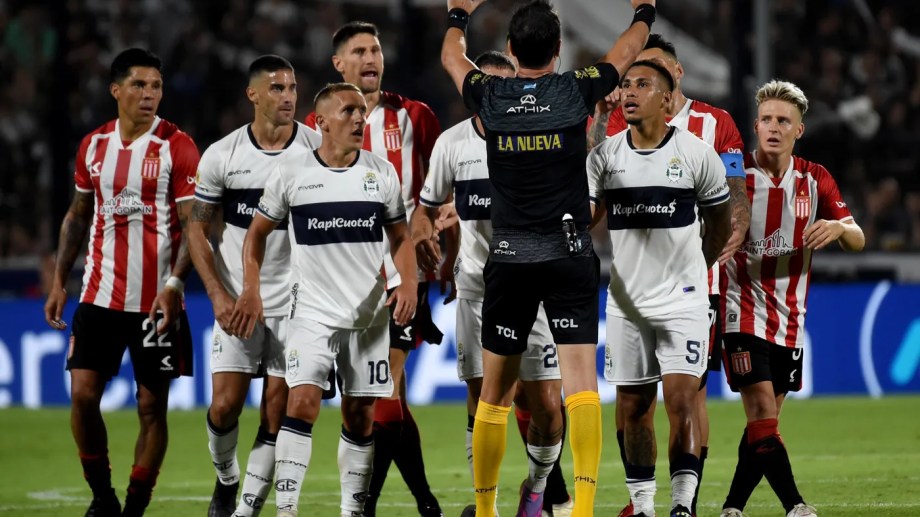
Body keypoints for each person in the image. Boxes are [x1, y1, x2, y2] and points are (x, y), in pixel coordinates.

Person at [441, 1, 656, 515]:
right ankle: (582, 508)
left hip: (510, 256)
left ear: (510, 51)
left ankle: (486, 510)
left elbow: (452, 57)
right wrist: (645, 10)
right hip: (568, 252)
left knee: (494, 395)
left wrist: (458, 14)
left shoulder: (491, 96)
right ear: (559, 51)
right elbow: (628, 51)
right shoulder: (574, 89)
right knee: (581, 387)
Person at [232, 82, 417, 517]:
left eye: (362, 111)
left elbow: (401, 237)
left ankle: (352, 510)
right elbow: (256, 235)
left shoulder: (380, 173)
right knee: (301, 403)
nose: (359, 118)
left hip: (368, 315)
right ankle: (287, 510)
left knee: (360, 414)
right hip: (311, 313)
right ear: (322, 123)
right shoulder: (292, 173)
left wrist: (407, 282)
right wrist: (251, 288)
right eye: (348, 111)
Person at [588, 34, 751, 517]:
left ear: (671, 85)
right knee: (633, 406)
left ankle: (684, 504)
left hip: (686, 295)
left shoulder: (706, 138)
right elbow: (588, 210)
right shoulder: (607, 148)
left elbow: (727, 210)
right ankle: (643, 506)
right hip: (627, 300)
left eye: (644, 81)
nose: (630, 90)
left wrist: (700, 266)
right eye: (627, 82)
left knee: (684, 398)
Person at [412, 50, 573, 517]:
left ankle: (536, 490)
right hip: (478, 292)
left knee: (547, 406)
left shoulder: (541, 138)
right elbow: (428, 207)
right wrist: (427, 238)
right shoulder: (452, 144)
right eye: (489, 87)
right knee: (485, 398)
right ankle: (488, 508)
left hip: (536, 289)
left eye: (507, 87)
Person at [43, 48, 199, 517]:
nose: (149, 94)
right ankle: (102, 496)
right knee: (82, 396)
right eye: (139, 85)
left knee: (151, 408)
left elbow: (195, 226)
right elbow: (77, 215)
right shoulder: (93, 146)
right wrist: (59, 281)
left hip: (157, 304)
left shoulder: (176, 145)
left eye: (156, 86)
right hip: (98, 296)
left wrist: (174, 284)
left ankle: (133, 507)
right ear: (116, 90)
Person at [304, 21, 445, 516]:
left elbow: (439, 185)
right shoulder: (317, 124)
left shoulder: (415, 116)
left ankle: (369, 504)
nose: (370, 58)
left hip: (402, 277)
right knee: (380, 400)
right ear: (338, 64)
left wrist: (436, 233)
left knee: (382, 396)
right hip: (342, 282)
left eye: (376, 50)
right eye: (359, 51)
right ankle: (421, 502)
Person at [718, 80, 865, 517]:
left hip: (789, 317)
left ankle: (732, 507)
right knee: (762, 410)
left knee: (763, 424)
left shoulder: (815, 178)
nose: (773, 127)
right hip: (740, 310)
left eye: (783, 121)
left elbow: (858, 238)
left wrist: (838, 228)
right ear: (755, 126)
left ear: (798, 130)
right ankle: (796, 506)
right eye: (766, 119)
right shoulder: (733, 174)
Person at [188, 55, 322, 517]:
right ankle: (227, 478)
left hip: (296, 304)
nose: (288, 97)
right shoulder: (223, 155)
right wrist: (217, 295)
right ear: (254, 95)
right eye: (277, 88)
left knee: (276, 413)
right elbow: (196, 228)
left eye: (292, 88)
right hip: (238, 301)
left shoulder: (315, 149)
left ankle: (246, 509)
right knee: (225, 406)